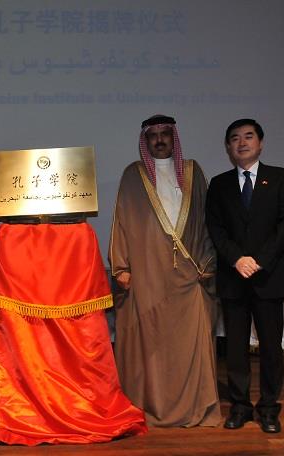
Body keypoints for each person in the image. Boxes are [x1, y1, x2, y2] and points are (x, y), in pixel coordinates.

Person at [109, 115, 221, 427]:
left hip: (190, 275)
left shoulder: (193, 172)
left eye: (165, 134)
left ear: (174, 138)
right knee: (152, 345)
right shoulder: (133, 175)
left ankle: (195, 405)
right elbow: (121, 221)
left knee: (189, 343)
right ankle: (152, 403)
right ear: (145, 141)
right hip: (148, 275)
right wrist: (120, 267)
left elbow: (208, 221)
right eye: (153, 135)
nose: (159, 140)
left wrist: (208, 263)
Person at [206, 118, 284, 433]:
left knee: (271, 348)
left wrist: (259, 261)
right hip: (234, 277)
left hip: (268, 276)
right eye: (235, 138)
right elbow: (215, 228)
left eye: (248, 136)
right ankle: (240, 407)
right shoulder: (219, 184)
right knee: (235, 349)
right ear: (228, 147)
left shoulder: (281, 177)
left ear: (260, 143)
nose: (242, 143)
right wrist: (237, 259)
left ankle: (269, 409)